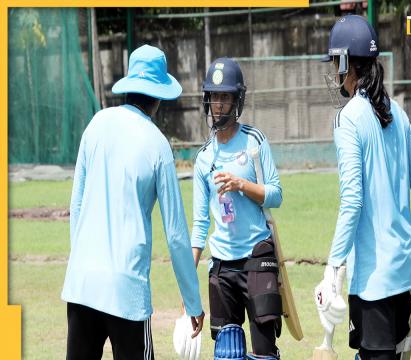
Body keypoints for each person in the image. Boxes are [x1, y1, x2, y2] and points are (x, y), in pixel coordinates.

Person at [314, 15, 411, 360]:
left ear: (350, 64)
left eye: (337, 62)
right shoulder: (398, 111)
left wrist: (332, 270)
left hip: (375, 284)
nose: (336, 70)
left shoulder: (348, 117)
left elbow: (351, 201)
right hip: (409, 274)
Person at [61, 44, 204, 360]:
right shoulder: (157, 145)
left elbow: (78, 204)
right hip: (126, 292)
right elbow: (177, 234)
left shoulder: (96, 124)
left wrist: (83, 261)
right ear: (159, 98)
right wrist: (192, 302)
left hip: (82, 284)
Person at [191, 57, 283, 359]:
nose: (219, 104)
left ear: (237, 100)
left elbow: (275, 194)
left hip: (257, 256)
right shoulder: (203, 158)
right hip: (222, 264)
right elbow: (200, 224)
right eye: (214, 97)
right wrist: (187, 279)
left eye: (225, 97)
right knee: (228, 353)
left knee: (264, 352)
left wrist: (241, 185)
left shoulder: (254, 141)